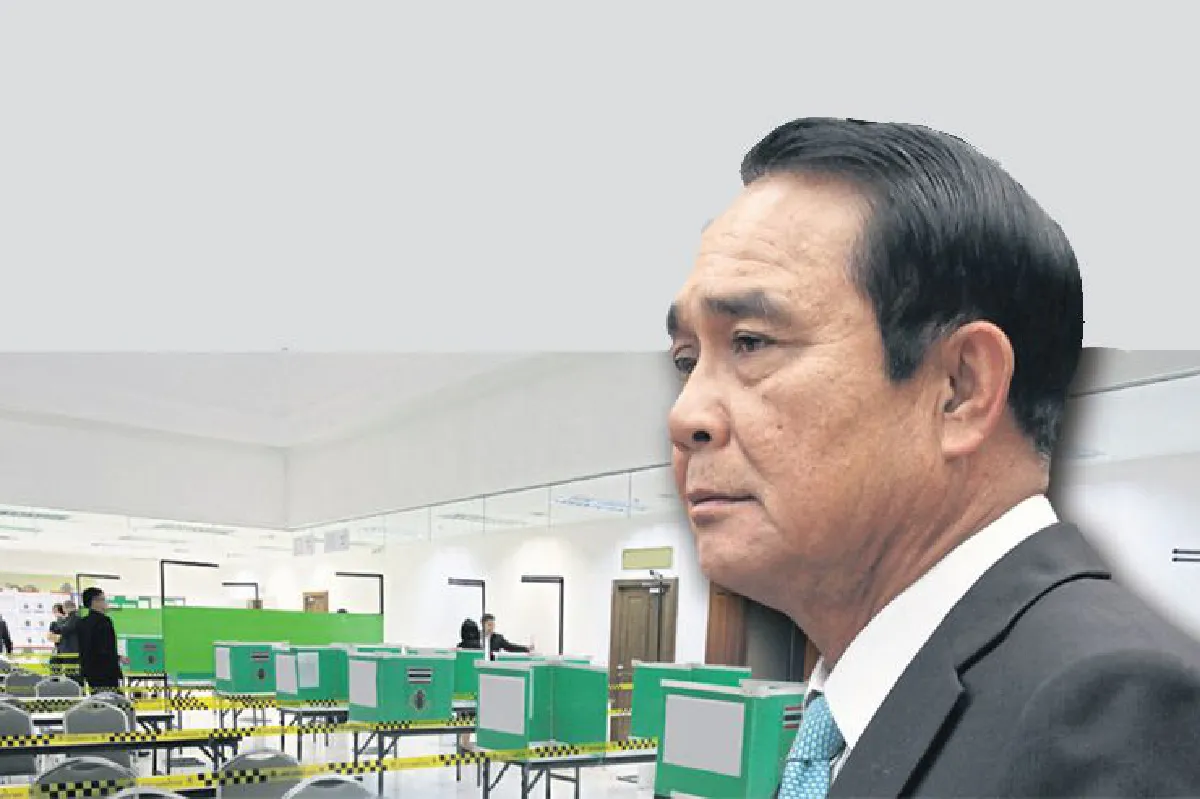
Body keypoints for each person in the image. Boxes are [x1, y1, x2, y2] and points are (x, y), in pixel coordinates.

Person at [666, 116, 1200, 797]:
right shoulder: (857, 709)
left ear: (960, 389)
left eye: (750, 342)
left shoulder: (1112, 716)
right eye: (687, 360)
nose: (684, 415)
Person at [75, 587, 122, 690]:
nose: (105, 602)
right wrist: (116, 660)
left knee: (97, 698)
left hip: (90, 671)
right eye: (103, 599)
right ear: (94, 602)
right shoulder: (104, 621)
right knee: (111, 698)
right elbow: (106, 647)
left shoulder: (82, 623)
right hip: (106, 671)